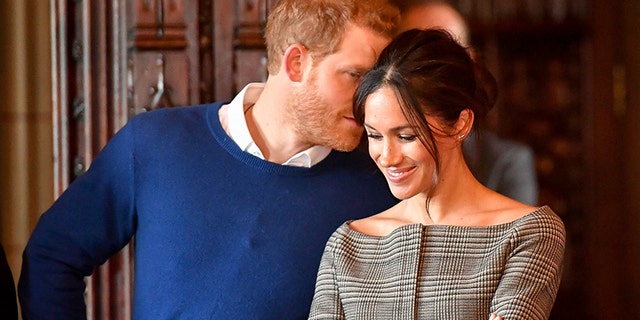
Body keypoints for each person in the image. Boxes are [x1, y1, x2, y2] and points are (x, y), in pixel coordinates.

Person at [18, 0, 400, 319]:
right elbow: (53, 256)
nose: (369, 100)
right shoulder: (155, 143)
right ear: (296, 63)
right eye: (355, 76)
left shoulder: (380, 186)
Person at [308, 29, 565, 319]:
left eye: (406, 136)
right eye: (374, 136)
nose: (388, 157)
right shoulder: (347, 243)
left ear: (460, 124)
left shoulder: (527, 233)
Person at [398, 0, 539, 206]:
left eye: (439, 55)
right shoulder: (373, 157)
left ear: (468, 60)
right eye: (413, 54)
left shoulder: (506, 161)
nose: (425, 68)